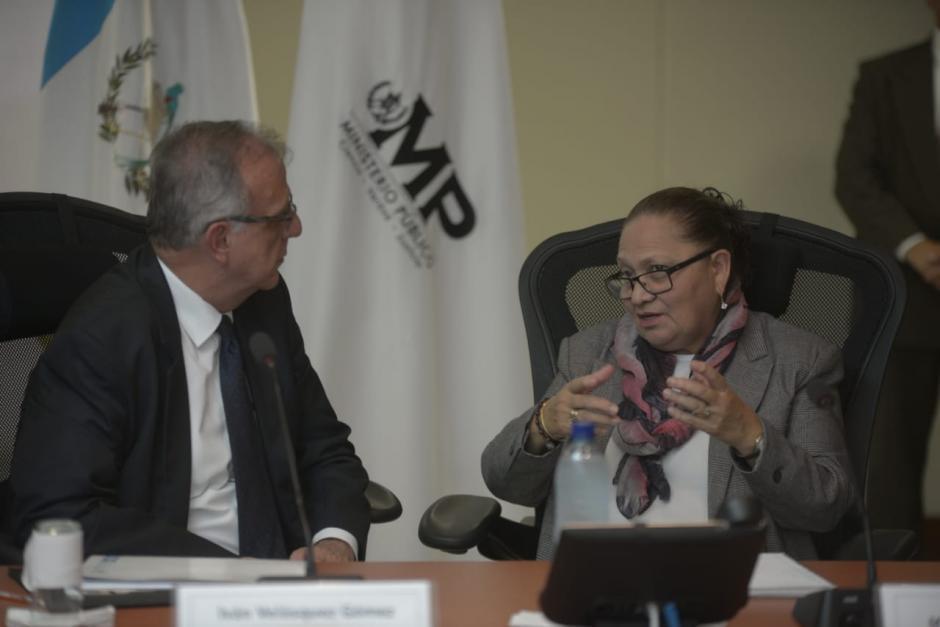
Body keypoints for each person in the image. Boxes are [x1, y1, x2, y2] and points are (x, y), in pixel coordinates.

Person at [11, 121, 370, 562]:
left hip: (283, 589)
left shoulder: (263, 301)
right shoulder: (102, 340)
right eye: (281, 215)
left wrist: (333, 542)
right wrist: (233, 576)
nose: (295, 228)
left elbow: (324, 448)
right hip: (167, 593)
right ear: (220, 240)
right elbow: (58, 516)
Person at [482, 187, 855, 560]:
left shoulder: (799, 360)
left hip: (730, 593)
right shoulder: (588, 353)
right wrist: (543, 426)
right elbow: (508, 484)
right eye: (627, 276)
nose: (637, 295)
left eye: (657, 272)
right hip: (592, 590)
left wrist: (750, 436)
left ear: (717, 269)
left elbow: (825, 508)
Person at [835, 3, 940, 539]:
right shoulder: (885, 76)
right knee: (892, 463)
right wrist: (919, 247)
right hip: (907, 294)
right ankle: (893, 597)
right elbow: (854, 178)